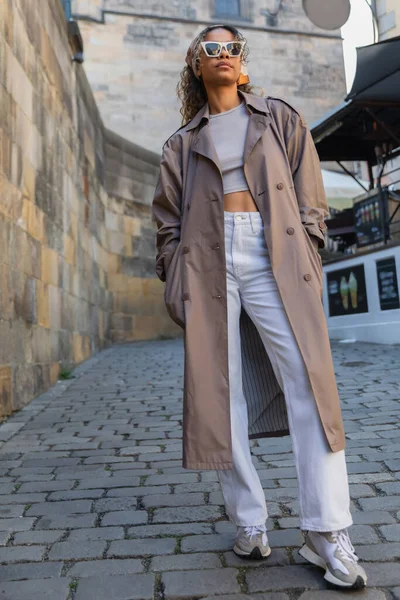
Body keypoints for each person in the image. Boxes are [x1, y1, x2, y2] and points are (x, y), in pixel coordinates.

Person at [152, 24, 367, 589]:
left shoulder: (278, 118)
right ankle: (249, 520)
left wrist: (311, 251)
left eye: (231, 48)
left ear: (242, 64)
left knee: (309, 382)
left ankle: (327, 533)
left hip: (272, 246)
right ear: (197, 66)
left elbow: (309, 194)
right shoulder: (181, 144)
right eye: (210, 49)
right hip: (206, 258)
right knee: (221, 393)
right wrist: (176, 274)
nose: (222, 56)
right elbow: (166, 222)